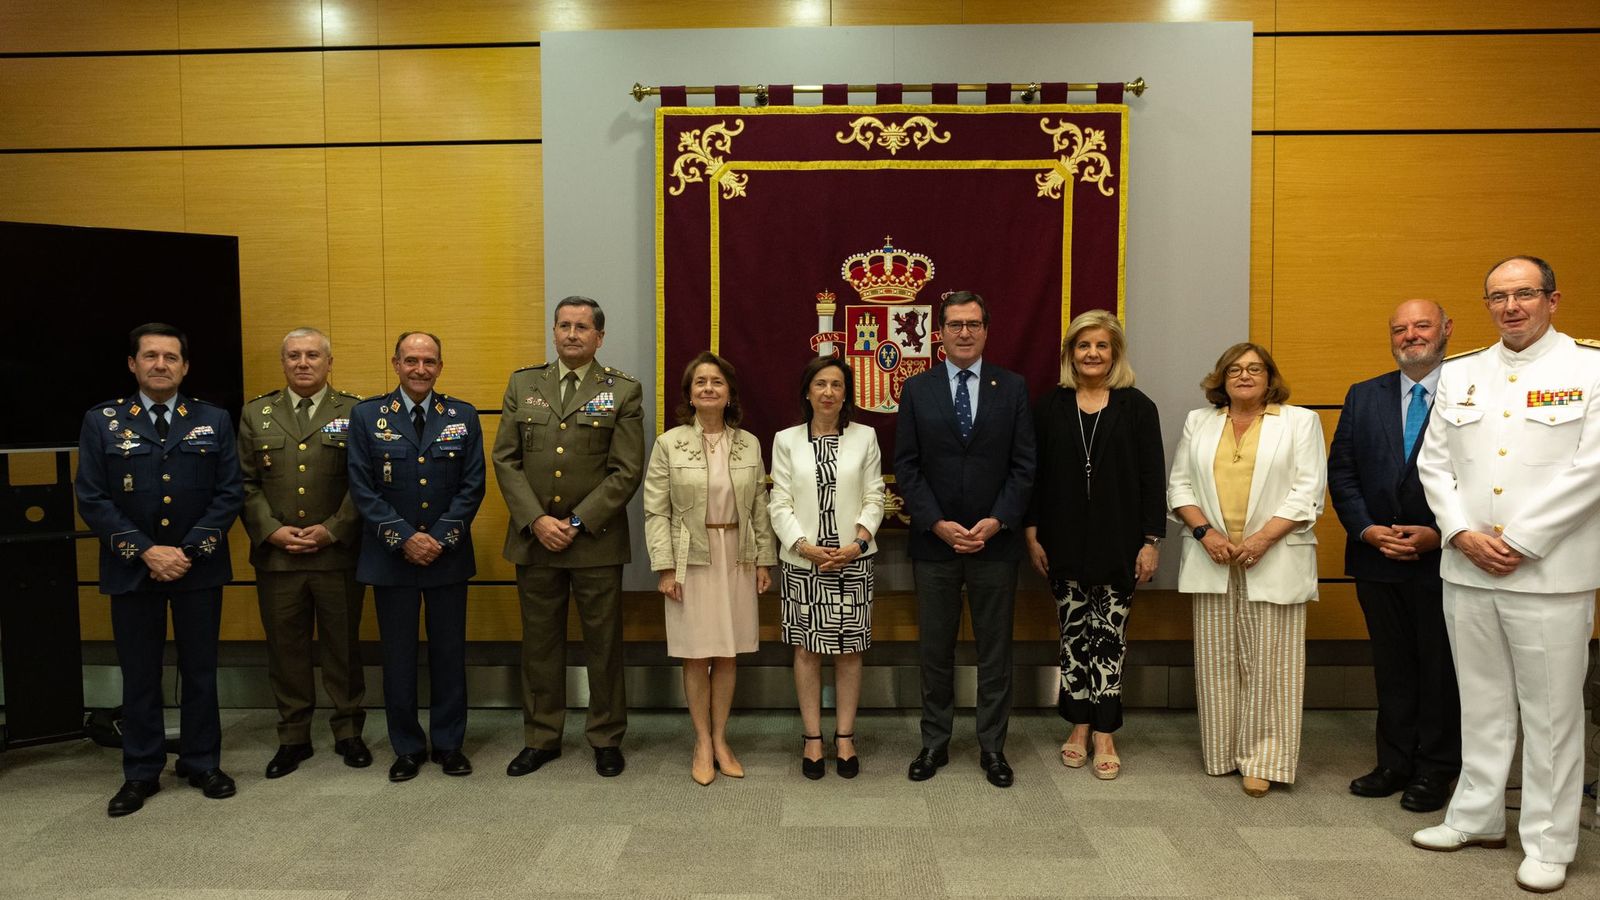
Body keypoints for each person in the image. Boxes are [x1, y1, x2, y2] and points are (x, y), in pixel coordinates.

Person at [1412, 256, 1600, 894]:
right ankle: (1477, 816)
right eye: (1498, 296)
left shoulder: (1589, 367)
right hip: (1467, 568)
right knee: (1481, 701)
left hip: (1550, 573)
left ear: (1553, 299)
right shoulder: (1463, 371)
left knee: (1551, 714)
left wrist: (1520, 540)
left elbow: (1591, 470)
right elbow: (1435, 464)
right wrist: (1460, 533)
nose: (1511, 307)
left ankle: (1549, 841)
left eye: (1524, 294)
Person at [75, 322, 244, 816]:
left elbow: (229, 492)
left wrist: (185, 552)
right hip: (132, 569)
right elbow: (92, 497)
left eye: (171, 357)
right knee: (140, 674)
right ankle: (141, 771)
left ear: (185, 367)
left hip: (198, 567)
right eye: (150, 356)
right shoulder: (102, 421)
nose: (160, 365)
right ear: (133, 364)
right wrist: (147, 551)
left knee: (201, 672)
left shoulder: (213, 419)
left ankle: (201, 762)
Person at [493, 295, 644, 779]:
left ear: (599, 337)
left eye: (582, 327)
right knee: (539, 645)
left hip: (595, 541)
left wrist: (576, 522)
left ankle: (606, 737)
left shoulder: (622, 390)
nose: (572, 334)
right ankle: (541, 738)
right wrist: (537, 520)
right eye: (564, 325)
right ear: (554, 332)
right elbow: (506, 460)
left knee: (604, 645)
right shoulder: (524, 384)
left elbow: (626, 470)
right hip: (534, 539)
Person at [1167, 342, 1325, 798]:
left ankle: (1263, 759)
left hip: (1274, 554)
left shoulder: (1299, 421)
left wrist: (1261, 540)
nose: (1244, 375)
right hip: (1212, 555)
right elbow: (1178, 485)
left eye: (1255, 368)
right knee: (1217, 660)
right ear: (1222, 377)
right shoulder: (1199, 421)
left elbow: (1308, 490)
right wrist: (1205, 534)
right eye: (1235, 369)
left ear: (1270, 377)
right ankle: (1222, 752)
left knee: (1272, 664)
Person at [893, 290, 1036, 789]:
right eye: (955, 324)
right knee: (935, 650)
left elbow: (1024, 465)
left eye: (973, 324)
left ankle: (992, 746)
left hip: (995, 543)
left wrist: (997, 521)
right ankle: (934, 741)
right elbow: (906, 466)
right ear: (940, 333)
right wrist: (936, 523)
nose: (964, 332)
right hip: (935, 544)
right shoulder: (917, 389)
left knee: (995, 651)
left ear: (986, 331)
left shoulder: (1012, 387)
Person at [1327, 300, 1460, 812]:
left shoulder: (1471, 391)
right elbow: (1343, 473)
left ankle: (1437, 768)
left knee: (1441, 667)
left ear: (1446, 329)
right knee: (1392, 665)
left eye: (1421, 325)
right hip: (1376, 558)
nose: (1410, 335)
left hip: (1446, 557)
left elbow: (1486, 477)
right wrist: (1367, 530)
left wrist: (1440, 533)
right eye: (1399, 328)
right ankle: (1394, 762)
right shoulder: (1364, 395)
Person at [1023, 310, 1164, 781]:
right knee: (1073, 637)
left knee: (1110, 639)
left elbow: (1152, 478)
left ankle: (1105, 731)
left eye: (1102, 345)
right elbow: (1035, 477)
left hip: (1120, 542)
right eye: (1084, 345)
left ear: (1115, 353)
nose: (1092, 353)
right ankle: (1078, 725)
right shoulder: (1049, 407)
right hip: (1061, 541)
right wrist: (1031, 531)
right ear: (1070, 353)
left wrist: (1151, 541)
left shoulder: (1138, 407)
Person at [347, 332, 485, 782]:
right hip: (391, 558)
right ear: (396, 364)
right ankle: (406, 747)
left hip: (447, 557)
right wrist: (404, 537)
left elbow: (472, 485)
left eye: (429, 361)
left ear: (440, 366)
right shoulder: (367, 416)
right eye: (411, 360)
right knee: (398, 658)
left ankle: (449, 744)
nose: (420, 369)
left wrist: (439, 538)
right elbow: (362, 487)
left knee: (449, 655)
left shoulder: (462, 415)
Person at [238, 327, 371, 778]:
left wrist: (334, 530)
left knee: (343, 647)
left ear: (329, 363)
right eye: (293, 355)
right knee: (286, 649)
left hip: (336, 554)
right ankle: (293, 736)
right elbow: (245, 483)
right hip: (278, 558)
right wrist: (271, 531)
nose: (303, 363)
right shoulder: (256, 413)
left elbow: (364, 482)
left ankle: (348, 731)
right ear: (283, 362)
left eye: (313, 355)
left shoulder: (354, 411)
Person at [644, 352, 775, 785]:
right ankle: (701, 741)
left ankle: (721, 739)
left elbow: (760, 506)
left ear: (729, 393)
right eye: (700, 382)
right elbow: (656, 511)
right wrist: (665, 568)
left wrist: (764, 560)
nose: (708, 388)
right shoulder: (669, 444)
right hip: (690, 559)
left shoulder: (749, 443)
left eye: (716, 382)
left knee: (728, 651)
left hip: (738, 556)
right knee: (696, 653)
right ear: (689, 394)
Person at [769, 356, 886, 779]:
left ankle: (846, 737)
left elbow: (875, 496)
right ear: (807, 391)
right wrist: (805, 547)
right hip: (804, 563)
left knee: (850, 651)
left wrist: (857, 544)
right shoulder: (786, 440)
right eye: (820, 384)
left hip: (853, 561)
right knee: (807, 649)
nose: (828, 392)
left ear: (845, 393)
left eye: (837, 385)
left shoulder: (865, 437)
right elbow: (779, 502)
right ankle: (813, 739)